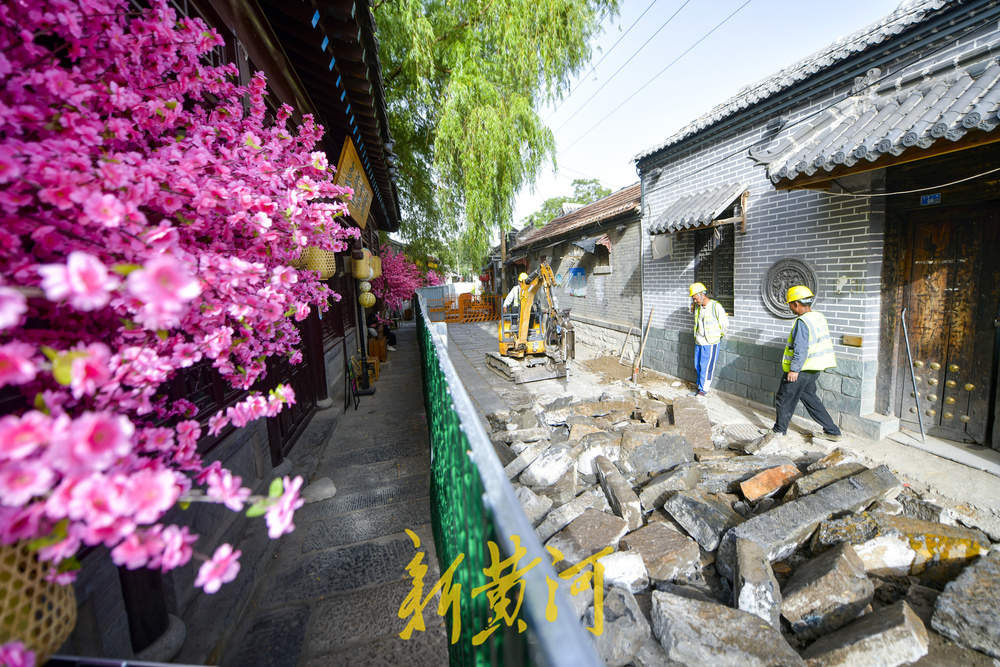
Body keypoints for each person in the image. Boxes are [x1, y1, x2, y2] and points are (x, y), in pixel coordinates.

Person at [758, 285, 842, 446]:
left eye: (790, 304)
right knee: (810, 399)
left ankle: (778, 431)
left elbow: (801, 348)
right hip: (814, 368)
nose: (790, 307)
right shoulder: (818, 317)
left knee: (784, 398)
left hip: (801, 369)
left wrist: (794, 369)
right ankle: (832, 431)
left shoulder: (802, 322)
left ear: (796, 304)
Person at [689, 282, 729, 397]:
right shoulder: (697, 307)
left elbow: (725, 325)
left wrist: (717, 336)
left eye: (695, 298)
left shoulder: (715, 306)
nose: (694, 301)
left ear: (702, 295)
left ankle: (703, 390)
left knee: (706, 367)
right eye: (693, 299)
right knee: (698, 365)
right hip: (699, 341)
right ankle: (699, 388)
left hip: (710, 342)